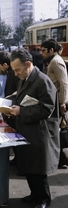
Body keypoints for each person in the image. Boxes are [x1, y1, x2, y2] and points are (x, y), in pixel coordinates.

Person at [6, 48, 60, 208]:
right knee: (28, 165)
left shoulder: (42, 81)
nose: (16, 74)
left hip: (39, 132)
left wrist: (21, 111)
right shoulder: (25, 77)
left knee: (38, 168)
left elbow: (46, 109)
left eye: (18, 70)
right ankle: (34, 194)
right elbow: (21, 97)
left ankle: (44, 198)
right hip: (27, 129)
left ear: (28, 64)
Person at [41, 39, 68, 168]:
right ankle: (61, 158)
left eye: (43, 51)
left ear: (51, 50)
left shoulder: (56, 62)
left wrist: (62, 103)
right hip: (54, 101)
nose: (41, 53)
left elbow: (64, 84)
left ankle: (61, 159)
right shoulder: (52, 61)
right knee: (54, 130)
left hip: (58, 102)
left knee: (56, 131)